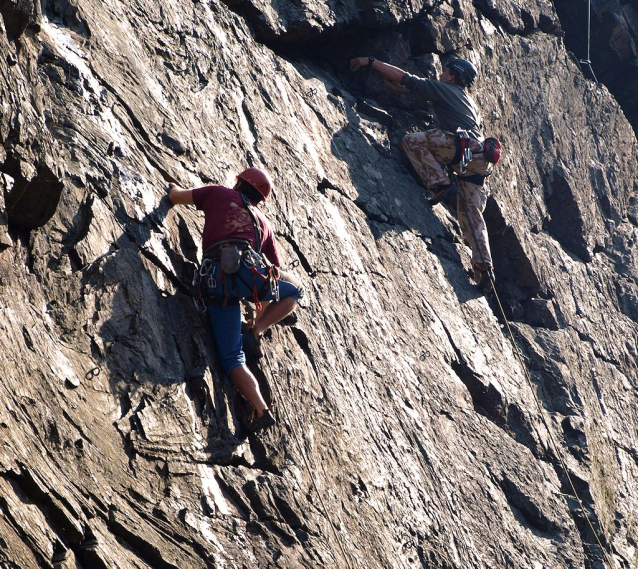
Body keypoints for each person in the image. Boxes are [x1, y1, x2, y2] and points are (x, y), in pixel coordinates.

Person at [350, 56, 500, 293]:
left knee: (411, 141)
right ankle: (484, 268)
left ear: (452, 76)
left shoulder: (446, 89)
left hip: (460, 148)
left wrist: (372, 62)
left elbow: (406, 80)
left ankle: (440, 183)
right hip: (479, 161)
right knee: (471, 214)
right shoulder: (468, 102)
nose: (441, 74)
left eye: (445, 71)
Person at [168, 167, 303, 433]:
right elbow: (275, 270)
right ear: (260, 199)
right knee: (296, 290)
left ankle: (262, 407)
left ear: (238, 183)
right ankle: (257, 335)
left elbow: (175, 197)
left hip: (215, 281)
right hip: (248, 278)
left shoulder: (217, 193)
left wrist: (172, 187)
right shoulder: (263, 222)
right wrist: (258, 313)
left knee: (232, 359)